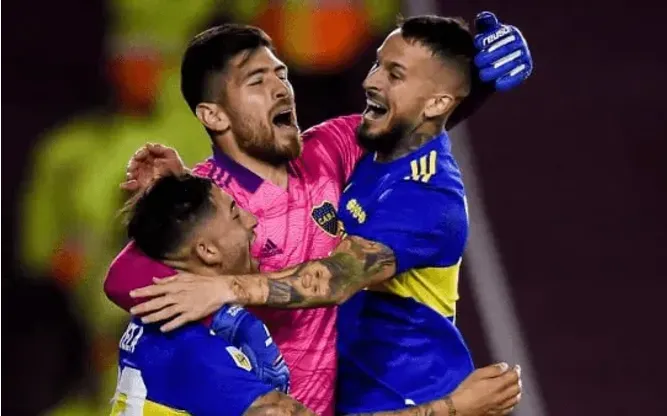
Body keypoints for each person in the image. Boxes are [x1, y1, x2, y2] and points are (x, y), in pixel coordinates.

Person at [105, 11, 532, 415]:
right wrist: (172, 211)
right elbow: (122, 279)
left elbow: (408, 124)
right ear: (213, 114)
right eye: (257, 80)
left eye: (281, 73)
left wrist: (479, 77)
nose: (280, 89)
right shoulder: (211, 204)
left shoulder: (329, 148)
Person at [111, 173, 522, 415]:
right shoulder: (196, 350)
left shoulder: (171, 309)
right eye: (235, 214)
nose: (252, 221)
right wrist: (455, 407)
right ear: (206, 251)